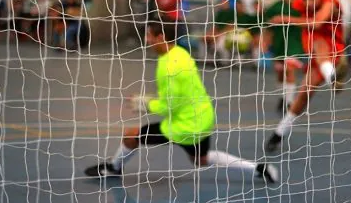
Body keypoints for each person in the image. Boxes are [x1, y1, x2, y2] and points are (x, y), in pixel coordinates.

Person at [84, 20, 278, 183]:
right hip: (202, 117)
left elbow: (170, 106)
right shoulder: (179, 52)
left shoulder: (169, 67)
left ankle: (113, 168)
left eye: (150, 36)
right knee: (200, 159)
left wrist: (146, 104)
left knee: (131, 135)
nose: (147, 40)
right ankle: (258, 169)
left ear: (161, 37)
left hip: (185, 125)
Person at [265, 0, 349, 152]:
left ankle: (332, 74)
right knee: (304, 94)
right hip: (315, 57)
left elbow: (317, 23)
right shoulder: (300, 2)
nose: (309, 2)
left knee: (319, 43)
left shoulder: (330, 3)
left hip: (333, 49)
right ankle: (279, 133)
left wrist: (286, 19)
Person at [264, 0, 305, 112]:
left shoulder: (300, 6)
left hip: (294, 42)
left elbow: (308, 21)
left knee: (290, 69)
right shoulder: (275, 7)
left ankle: (290, 102)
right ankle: (283, 97)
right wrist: (265, 41)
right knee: (280, 72)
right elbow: (267, 25)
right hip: (279, 42)